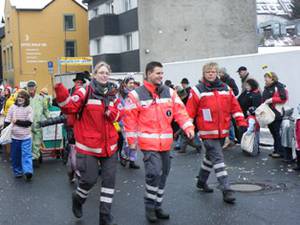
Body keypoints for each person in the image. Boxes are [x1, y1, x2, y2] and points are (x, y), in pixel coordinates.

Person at [123, 61, 195, 223]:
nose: (161, 76)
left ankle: (157, 206)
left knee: (163, 175)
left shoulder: (170, 92)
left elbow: (180, 112)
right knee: (154, 174)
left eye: (162, 73)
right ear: (148, 74)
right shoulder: (135, 95)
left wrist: (188, 127)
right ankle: (149, 207)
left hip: (166, 143)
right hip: (148, 144)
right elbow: (130, 120)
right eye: (157, 73)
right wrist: (131, 141)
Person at [55, 61, 123, 225]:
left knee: (109, 181)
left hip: (110, 146)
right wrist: (60, 91)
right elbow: (69, 107)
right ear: (94, 75)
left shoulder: (113, 92)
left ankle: (104, 216)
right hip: (88, 146)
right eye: (101, 72)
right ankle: (78, 198)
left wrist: (112, 112)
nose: (104, 75)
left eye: (106, 72)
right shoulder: (84, 91)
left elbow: (119, 113)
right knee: (89, 180)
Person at [186, 62, 247, 204]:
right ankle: (226, 189)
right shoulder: (197, 90)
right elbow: (190, 111)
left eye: (213, 71)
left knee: (210, 157)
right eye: (208, 72)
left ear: (217, 73)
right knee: (218, 158)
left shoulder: (226, 89)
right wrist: (188, 128)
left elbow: (235, 107)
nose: (211, 74)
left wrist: (241, 122)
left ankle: (201, 181)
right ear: (204, 74)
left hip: (222, 131)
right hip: (207, 132)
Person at [4, 90, 33, 181]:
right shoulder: (12, 107)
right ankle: (18, 172)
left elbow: (28, 123)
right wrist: (5, 129)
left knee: (26, 155)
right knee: (15, 156)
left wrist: (16, 121)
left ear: (26, 99)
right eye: (19, 97)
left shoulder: (29, 109)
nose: (20, 98)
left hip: (26, 137)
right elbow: (7, 121)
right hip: (15, 137)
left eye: (22, 97)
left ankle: (28, 171)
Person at [262, 72, 288, 159]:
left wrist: (271, 100)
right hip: (269, 114)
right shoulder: (267, 87)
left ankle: (280, 151)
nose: (265, 79)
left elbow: (283, 98)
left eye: (266, 78)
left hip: (276, 113)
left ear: (272, 78)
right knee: (273, 132)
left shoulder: (279, 86)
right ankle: (276, 150)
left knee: (276, 132)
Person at [118, 76, 140, 169]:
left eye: (133, 83)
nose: (132, 85)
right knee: (127, 142)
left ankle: (132, 160)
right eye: (130, 83)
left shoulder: (135, 95)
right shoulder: (120, 95)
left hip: (135, 123)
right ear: (125, 84)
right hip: (124, 123)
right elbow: (119, 109)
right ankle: (124, 156)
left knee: (134, 142)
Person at [27, 80, 49, 167]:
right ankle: (30, 159)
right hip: (26, 126)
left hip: (37, 124)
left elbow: (45, 110)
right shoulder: (25, 98)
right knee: (28, 143)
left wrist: (50, 118)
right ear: (27, 88)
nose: (31, 89)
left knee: (37, 142)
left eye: (33, 87)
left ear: (36, 88)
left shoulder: (41, 99)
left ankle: (35, 159)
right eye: (29, 87)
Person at [219, 67, 239, 148]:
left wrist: (227, 94)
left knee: (229, 121)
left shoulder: (230, 80)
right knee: (226, 121)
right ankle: (227, 139)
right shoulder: (220, 81)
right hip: (222, 103)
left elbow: (236, 91)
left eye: (220, 73)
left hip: (228, 103)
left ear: (223, 73)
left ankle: (231, 138)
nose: (219, 74)